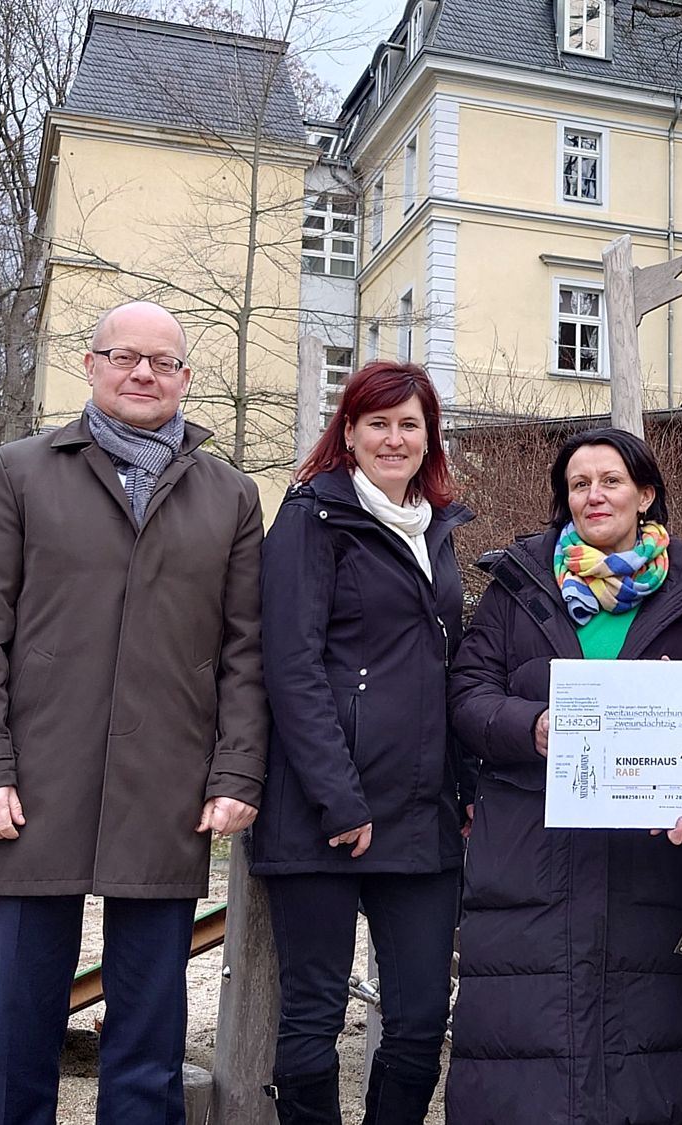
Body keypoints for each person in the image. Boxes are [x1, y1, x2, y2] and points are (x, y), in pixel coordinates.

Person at [0, 300, 268, 1125]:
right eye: (124, 356)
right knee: (20, 1021)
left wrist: (237, 770)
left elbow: (246, 650)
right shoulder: (20, 472)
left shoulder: (230, 496)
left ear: (185, 378)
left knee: (149, 1034)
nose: (143, 373)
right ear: (90, 365)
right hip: (34, 783)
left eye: (162, 361)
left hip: (168, 783)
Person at [445, 427, 682, 1125]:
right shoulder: (518, 584)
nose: (593, 495)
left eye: (610, 481)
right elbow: (467, 695)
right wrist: (533, 725)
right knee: (524, 1039)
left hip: (650, 859)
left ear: (646, 494)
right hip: (529, 847)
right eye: (578, 484)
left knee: (648, 1049)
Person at [251, 360, 472, 1125]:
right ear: (348, 432)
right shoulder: (311, 517)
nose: (394, 437)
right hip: (323, 812)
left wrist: (465, 787)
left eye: (410, 423)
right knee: (313, 1014)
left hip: (419, 811)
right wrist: (339, 798)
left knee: (420, 1017)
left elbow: (445, 666)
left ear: (429, 437)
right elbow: (292, 664)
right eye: (378, 422)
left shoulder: (436, 526)